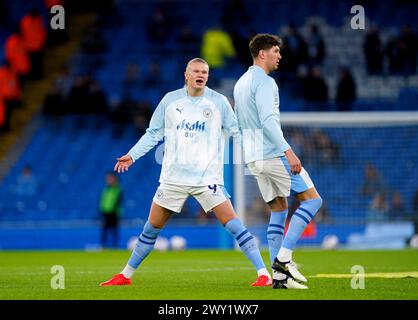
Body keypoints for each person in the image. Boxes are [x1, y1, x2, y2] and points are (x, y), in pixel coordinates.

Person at [100, 58, 271, 287]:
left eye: (205, 72)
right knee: (151, 229)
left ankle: (263, 274)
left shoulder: (219, 102)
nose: (201, 75)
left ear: (207, 76)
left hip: (207, 178)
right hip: (173, 179)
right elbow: (153, 134)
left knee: (233, 223)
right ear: (186, 74)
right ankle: (125, 275)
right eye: (196, 71)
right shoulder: (170, 101)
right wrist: (132, 155)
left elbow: (236, 132)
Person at [233, 34, 323, 289]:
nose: (279, 56)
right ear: (262, 53)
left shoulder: (241, 83)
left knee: (279, 209)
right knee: (314, 200)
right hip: (272, 153)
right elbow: (268, 122)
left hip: (253, 157)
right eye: (275, 51)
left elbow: (241, 124)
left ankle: (279, 279)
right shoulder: (266, 83)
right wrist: (288, 151)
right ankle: (283, 260)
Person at [99, 172, 123, 248]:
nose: (108, 180)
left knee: (114, 230)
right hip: (105, 212)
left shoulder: (118, 189)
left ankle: (115, 245)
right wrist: (102, 210)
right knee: (104, 230)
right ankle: (103, 246)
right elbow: (103, 200)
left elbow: (118, 201)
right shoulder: (106, 189)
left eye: (110, 178)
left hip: (114, 213)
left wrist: (115, 210)